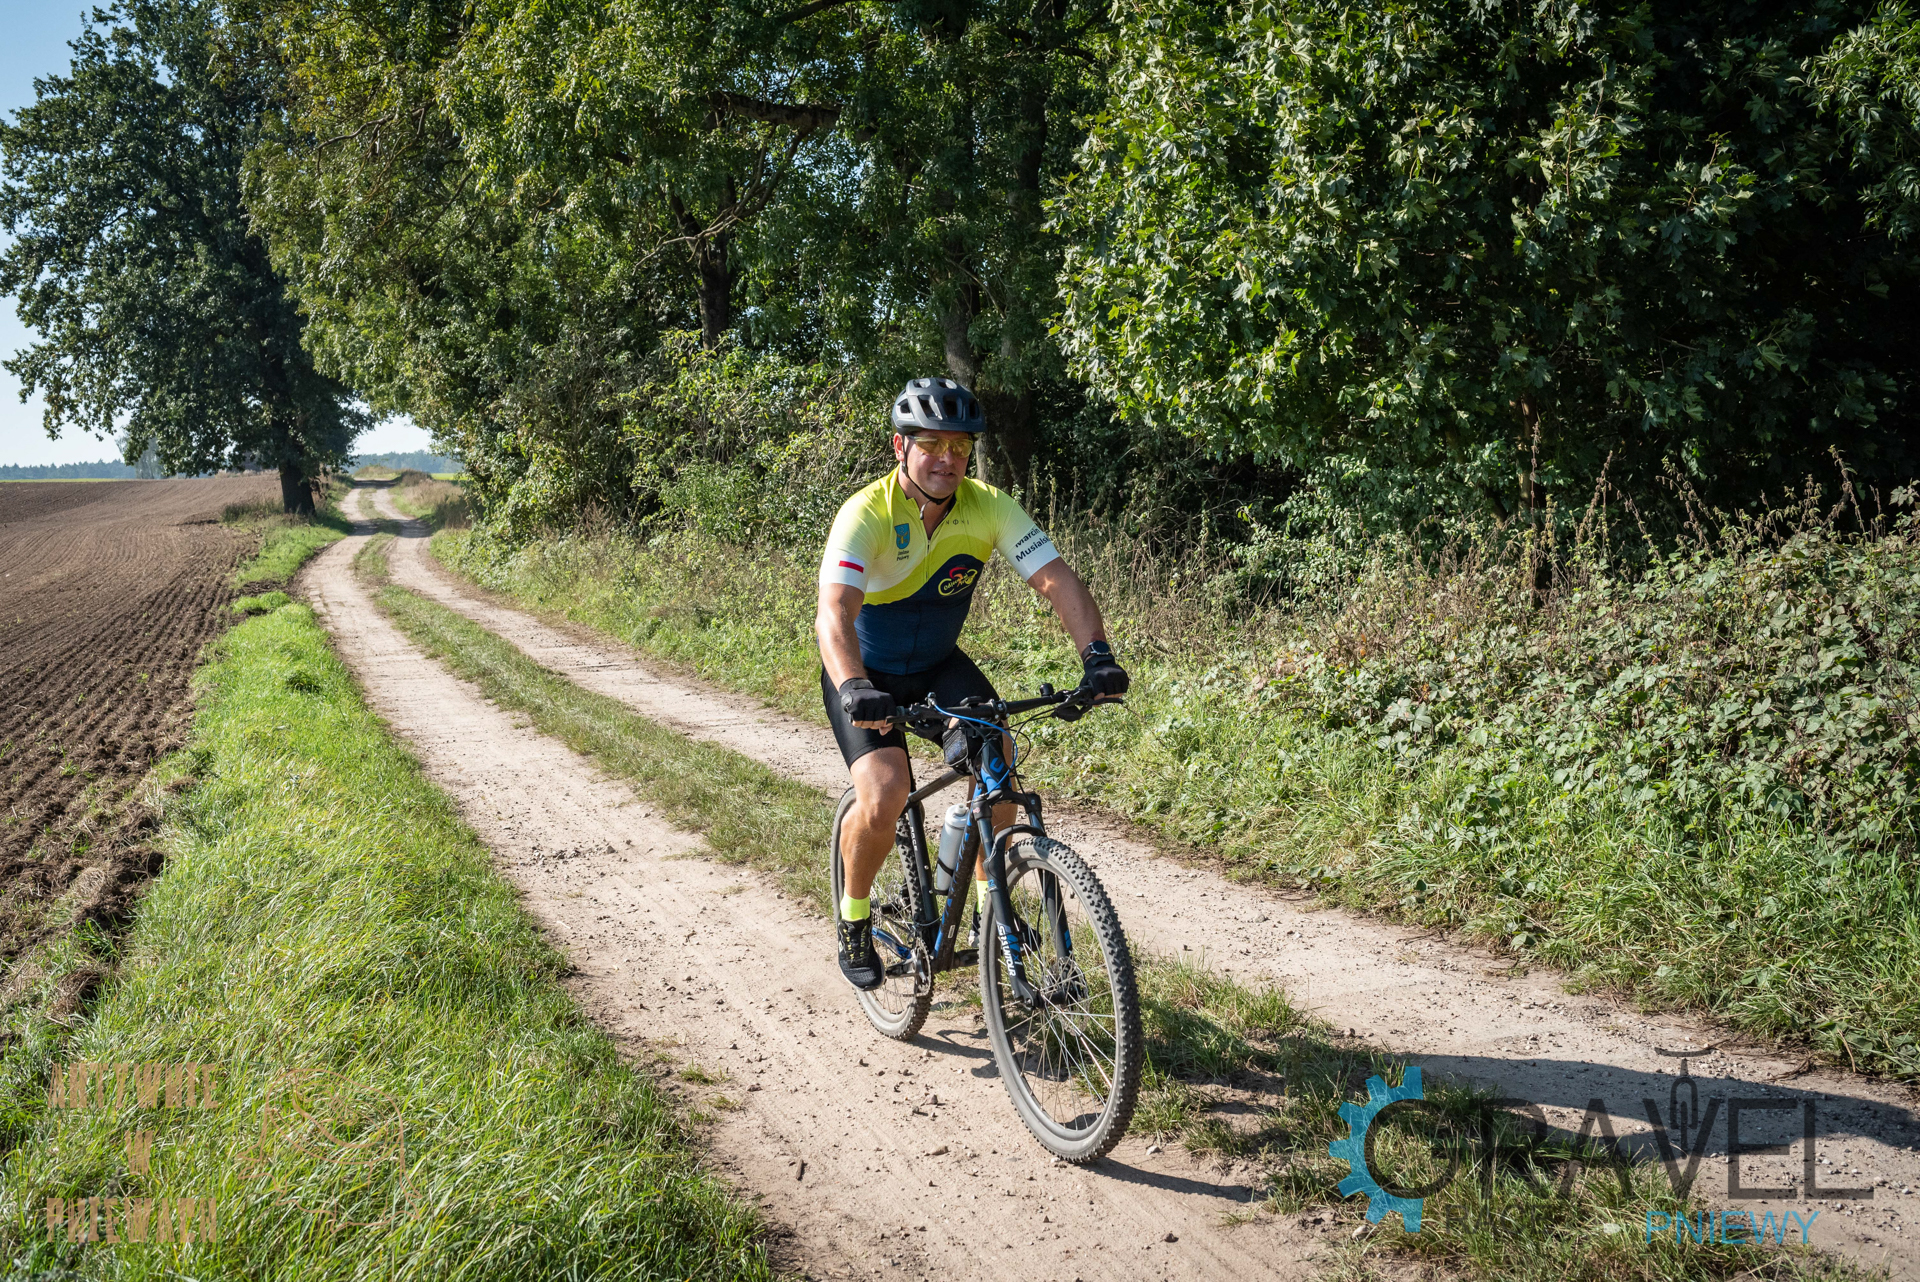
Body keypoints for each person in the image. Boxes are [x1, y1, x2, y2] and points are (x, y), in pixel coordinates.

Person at [816, 377, 1130, 989]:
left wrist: (1097, 656)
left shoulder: (989, 506)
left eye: (960, 446)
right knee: (885, 793)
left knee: (998, 762)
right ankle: (854, 919)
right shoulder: (866, 512)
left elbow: (1057, 580)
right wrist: (853, 684)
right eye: (932, 444)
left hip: (938, 665)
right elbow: (835, 612)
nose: (948, 459)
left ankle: (992, 915)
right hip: (867, 673)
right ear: (900, 447)